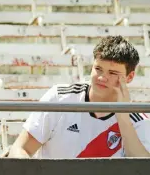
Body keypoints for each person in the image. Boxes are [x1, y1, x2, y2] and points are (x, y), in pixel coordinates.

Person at [8, 36, 150, 158]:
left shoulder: (139, 120)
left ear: (129, 77)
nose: (101, 77)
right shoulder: (60, 98)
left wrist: (122, 115)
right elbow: (20, 149)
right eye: (98, 69)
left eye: (112, 73)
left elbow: (142, 170)